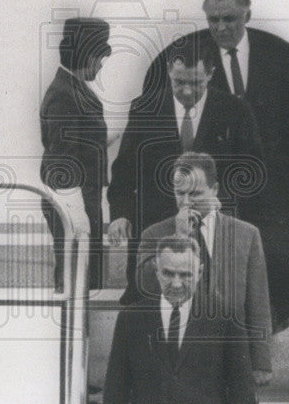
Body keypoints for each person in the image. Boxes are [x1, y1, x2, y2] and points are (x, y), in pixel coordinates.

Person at [140, 0, 289, 327]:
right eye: (213, 19)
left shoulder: (277, 55)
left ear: (247, 15)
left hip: (268, 180)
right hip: (213, 181)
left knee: (264, 253)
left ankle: (266, 325)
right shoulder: (192, 55)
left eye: (230, 19)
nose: (221, 27)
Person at [107, 35, 263, 303]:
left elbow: (252, 174)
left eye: (196, 83)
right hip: (155, 229)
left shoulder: (235, 111)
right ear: (169, 71)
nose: (187, 91)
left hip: (213, 231)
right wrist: (120, 214)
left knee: (210, 308)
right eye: (179, 82)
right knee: (147, 309)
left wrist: (221, 207)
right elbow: (124, 171)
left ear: (211, 74)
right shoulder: (145, 109)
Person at [99, 235, 257, 404]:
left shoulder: (225, 317)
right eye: (168, 273)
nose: (176, 283)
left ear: (201, 272)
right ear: (156, 270)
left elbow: (241, 384)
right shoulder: (132, 318)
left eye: (186, 275)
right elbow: (116, 385)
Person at [135, 151, 272, 384]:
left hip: (230, 354)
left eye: (195, 194)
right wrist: (178, 237)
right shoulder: (154, 234)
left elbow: (257, 303)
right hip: (175, 353)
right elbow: (145, 286)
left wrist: (261, 363)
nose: (187, 202)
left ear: (215, 189)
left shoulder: (246, 235)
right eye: (180, 194)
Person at [40, 16, 111, 290]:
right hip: (72, 202)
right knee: (75, 280)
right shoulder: (64, 95)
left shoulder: (71, 88)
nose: (102, 64)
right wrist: (77, 214)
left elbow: (77, 143)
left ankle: (80, 333)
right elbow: (61, 161)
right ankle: (74, 333)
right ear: (85, 54)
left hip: (80, 199)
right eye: (99, 56)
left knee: (83, 279)